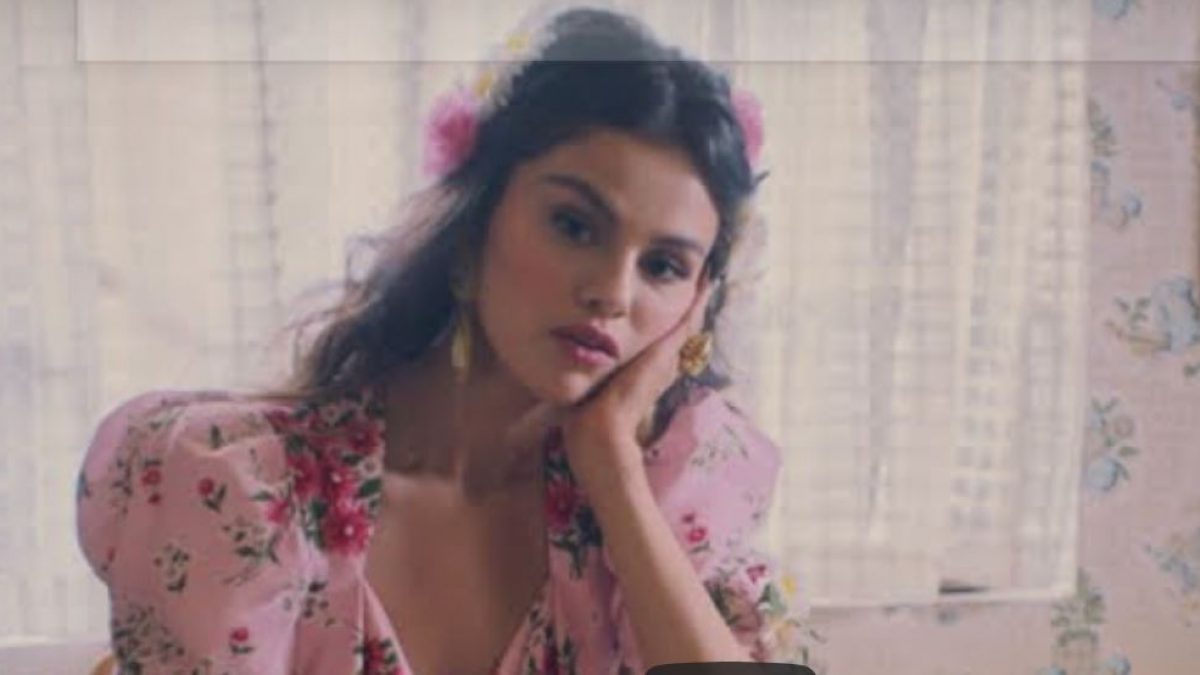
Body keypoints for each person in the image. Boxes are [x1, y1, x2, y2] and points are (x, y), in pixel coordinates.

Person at [75, 6, 809, 674]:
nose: (614, 293)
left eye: (664, 266)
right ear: (472, 225)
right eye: (574, 225)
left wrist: (611, 466)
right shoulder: (243, 491)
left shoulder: (662, 510)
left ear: (696, 310)